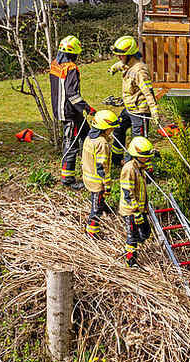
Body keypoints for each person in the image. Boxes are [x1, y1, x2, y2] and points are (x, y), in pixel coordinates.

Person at [49, 35, 94, 190]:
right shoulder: (71, 68)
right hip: (70, 112)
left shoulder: (55, 64)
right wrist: (87, 108)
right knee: (71, 143)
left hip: (62, 109)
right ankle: (67, 179)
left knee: (88, 134)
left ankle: (90, 165)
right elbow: (72, 94)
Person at [109, 36, 161, 165]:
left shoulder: (140, 71)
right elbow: (120, 65)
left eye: (121, 55)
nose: (118, 57)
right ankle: (116, 160)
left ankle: (135, 167)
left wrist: (154, 111)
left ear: (130, 55)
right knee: (118, 129)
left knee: (138, 141)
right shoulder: (127, 64)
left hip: (140, 112)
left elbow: (148, 92)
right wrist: (113, 69)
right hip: (129, 109)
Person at [81, 110, 119, 237]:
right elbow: (102, 167)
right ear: (105, 128)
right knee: (96, 209)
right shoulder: (101, 143)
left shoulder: (89, 138)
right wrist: (107, 185)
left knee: (98, 200)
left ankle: (104, 207)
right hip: (97, 182)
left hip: (88, 176)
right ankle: (92, 232)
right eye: (111, 128)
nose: (112, 130)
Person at [118, 137, 155, 266]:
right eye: (145, 156)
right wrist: (136, 212)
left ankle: (137, 247)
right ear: (137, 155)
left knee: (146, 232)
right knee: (132, 237)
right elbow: (128, 193)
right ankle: (130, 261)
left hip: (140, 208)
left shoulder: (140, 167)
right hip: (131, 210)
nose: (148, 158)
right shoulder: (129, 169)